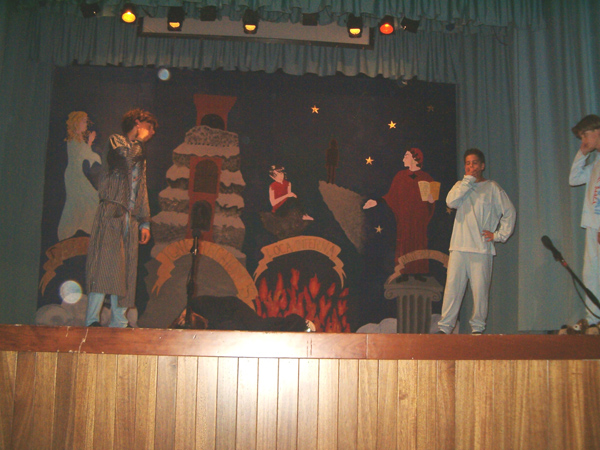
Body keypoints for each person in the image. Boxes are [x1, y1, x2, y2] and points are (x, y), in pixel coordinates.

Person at [85, 108, 157, 327]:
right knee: (103, 266)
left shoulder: (140, 153)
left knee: (127, 271)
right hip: (111, 212)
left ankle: (119, 321)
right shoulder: (116, 141)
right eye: (150, 127)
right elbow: (125, 160)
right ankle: (92, 320)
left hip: (130, 218)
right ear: (137, 123)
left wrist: (144, 222)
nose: (152, 132)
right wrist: (139, 141)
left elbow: (141, 187)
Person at [437, 149, 516, 334]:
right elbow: (451, 202)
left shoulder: (492, 188)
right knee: (452, 290)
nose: (470, 166)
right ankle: (445, 328)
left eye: (474, 163)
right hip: (458, 247)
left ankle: (477, 329)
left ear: (482, 166)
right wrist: (467, 181)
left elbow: (509, 212)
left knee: (480, 292)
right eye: (467, 163)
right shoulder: (460, 186)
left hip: (481, 249)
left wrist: (498, 235)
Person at [363, 148, 436, 277]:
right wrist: (376, 202)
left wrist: (431, 199)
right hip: (404, 220)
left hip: (419, 221)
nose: (403, 159)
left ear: (415, 158)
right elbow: (391, 196)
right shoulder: (400, 176)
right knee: (404, 244)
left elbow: (432, 201)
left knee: (419, 244)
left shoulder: (427, 178)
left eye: (406, 156)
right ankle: (403, 272)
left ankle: (419, 272)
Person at [568, 114, 600, 327]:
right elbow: (574, 179)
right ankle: (593, 318)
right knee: (590, 274)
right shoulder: (596, 162)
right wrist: (582, 153)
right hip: (592, 225)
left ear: (597, 131)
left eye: (585, 136)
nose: (584, 141)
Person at [58, 111, 101, 241]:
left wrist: (89, 143)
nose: (85, 124)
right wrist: (90, 142)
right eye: (83, 121)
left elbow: (85, 154)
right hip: (74, 175)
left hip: (77, 173)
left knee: (88, 199)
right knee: (78, 201)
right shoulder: (73, 139)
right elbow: (82, 154)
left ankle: (85, 229)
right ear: (77, 123)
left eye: (86, 121)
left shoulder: (79, 138)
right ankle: (67, 232)